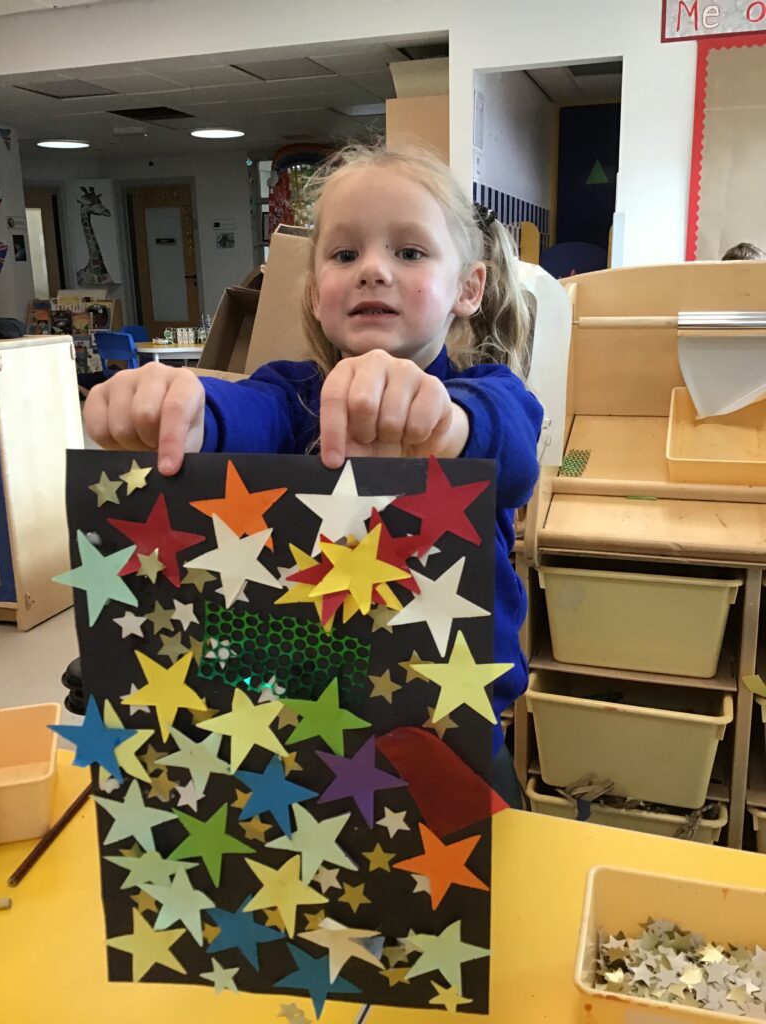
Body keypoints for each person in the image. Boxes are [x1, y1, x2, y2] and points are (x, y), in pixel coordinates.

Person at [84, 142, 543, 754]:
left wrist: (447, 425)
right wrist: (186, 408)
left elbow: (514, 454)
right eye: (345, 254)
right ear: (313, 294)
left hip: (444, 727)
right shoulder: (292, 395)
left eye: (409, 252)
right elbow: (241, 412)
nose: (372, 269)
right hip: (303, 715)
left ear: (468, 287)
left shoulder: (488, 395)